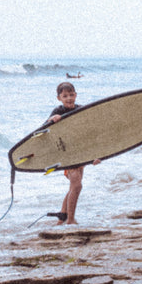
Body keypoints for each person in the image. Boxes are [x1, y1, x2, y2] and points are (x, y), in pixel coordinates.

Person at [44, 81, 98, 225]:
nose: (69, 98)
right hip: (66, 154)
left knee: (75, 185)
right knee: (77, 185)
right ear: (59, 98)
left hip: (81, 152)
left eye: (71, 95)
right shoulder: (58, 111)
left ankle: (63, 216)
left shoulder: (81, 109)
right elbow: (44, 129)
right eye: (65, 96)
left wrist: (95, 155)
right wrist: (52, 119)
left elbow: (91, 132)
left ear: (76, 95)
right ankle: (71, 219)